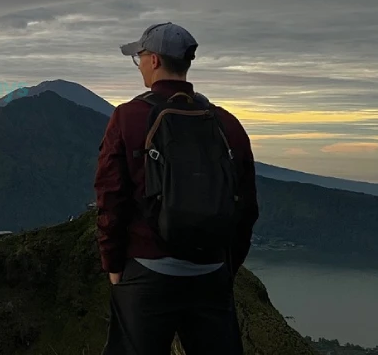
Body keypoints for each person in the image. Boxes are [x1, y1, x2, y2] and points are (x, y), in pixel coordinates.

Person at [94, 22, 260, 355]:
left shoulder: (128, 118)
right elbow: (246, 208)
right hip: (211, 274)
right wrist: (225, 267)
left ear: (154, 60)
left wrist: (113, 266)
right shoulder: (225, 123)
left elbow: (110, 198)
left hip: (147, 271)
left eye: (139, 56)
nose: (139, 64)